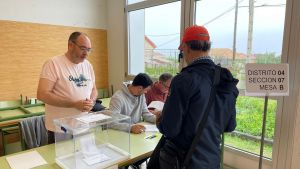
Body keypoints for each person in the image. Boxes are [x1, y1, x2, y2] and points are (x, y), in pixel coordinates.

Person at [155, 25, 239, 169]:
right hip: (212, 160)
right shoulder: (226, 78)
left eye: (182, 52)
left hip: (184, 161)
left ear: (186, 48)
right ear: (208, 48)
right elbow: (230, 125)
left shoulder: (184, 80)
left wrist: (160, 120)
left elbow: (170, 129)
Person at [37, 32, 97, 144]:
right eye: (83, 48)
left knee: (82, 160)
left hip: (83, 126)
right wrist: (73, 104)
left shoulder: (88, 65)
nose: (86, 54)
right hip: (60, 129)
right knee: (61, 160)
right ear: (70, 45)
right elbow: (42, 94)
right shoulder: (53, 64)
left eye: (89, 50)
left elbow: (94, 90)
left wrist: (92, 102)